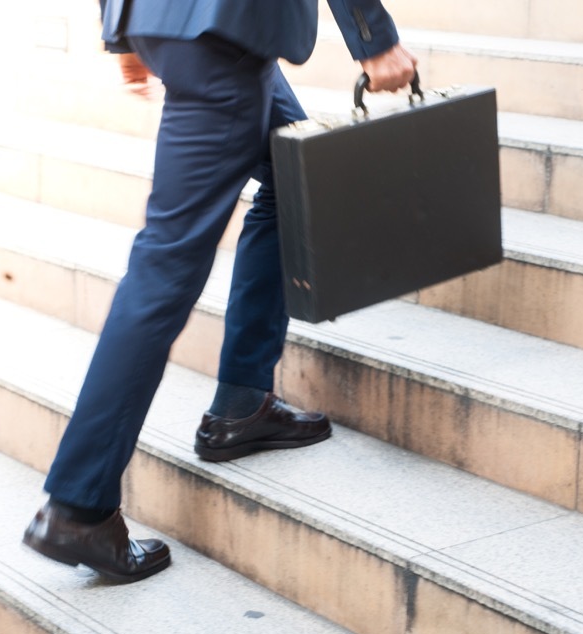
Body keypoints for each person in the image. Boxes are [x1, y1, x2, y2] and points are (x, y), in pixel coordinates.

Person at [23, 0, 418, 583]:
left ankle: (241, 406)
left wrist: (125, 31)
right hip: (225, 35)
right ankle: (79, 506)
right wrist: (373, 39)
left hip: (186, 26)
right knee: (164, 271)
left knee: (293, 178)